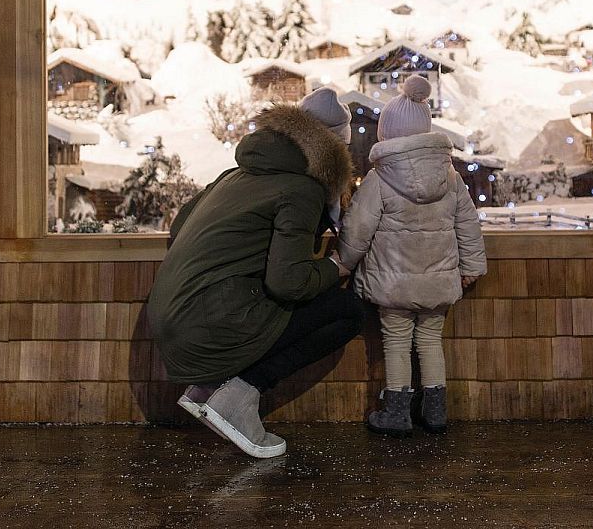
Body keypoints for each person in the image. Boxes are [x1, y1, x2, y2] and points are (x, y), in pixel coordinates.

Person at [147, 88, 358, 459]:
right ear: (335, 154)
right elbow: (287, 281)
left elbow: (179, 227)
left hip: (171, 320)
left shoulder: (234, 175)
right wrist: (334, 266)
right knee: (347, 310)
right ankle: (238, 396)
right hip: (207, 328)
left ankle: (211, 386)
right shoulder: (302, 189)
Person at [338, 75, 487, 437]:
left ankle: (397, 413)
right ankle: (435, 412)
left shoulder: (379, 178)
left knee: (396, 342)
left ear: (386, 135)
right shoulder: (451, 177)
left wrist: (343, 263)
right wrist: (471, 267)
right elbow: (468, 225)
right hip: (439, 280)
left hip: (392, 282)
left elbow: (358, 229)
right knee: (431, 341)